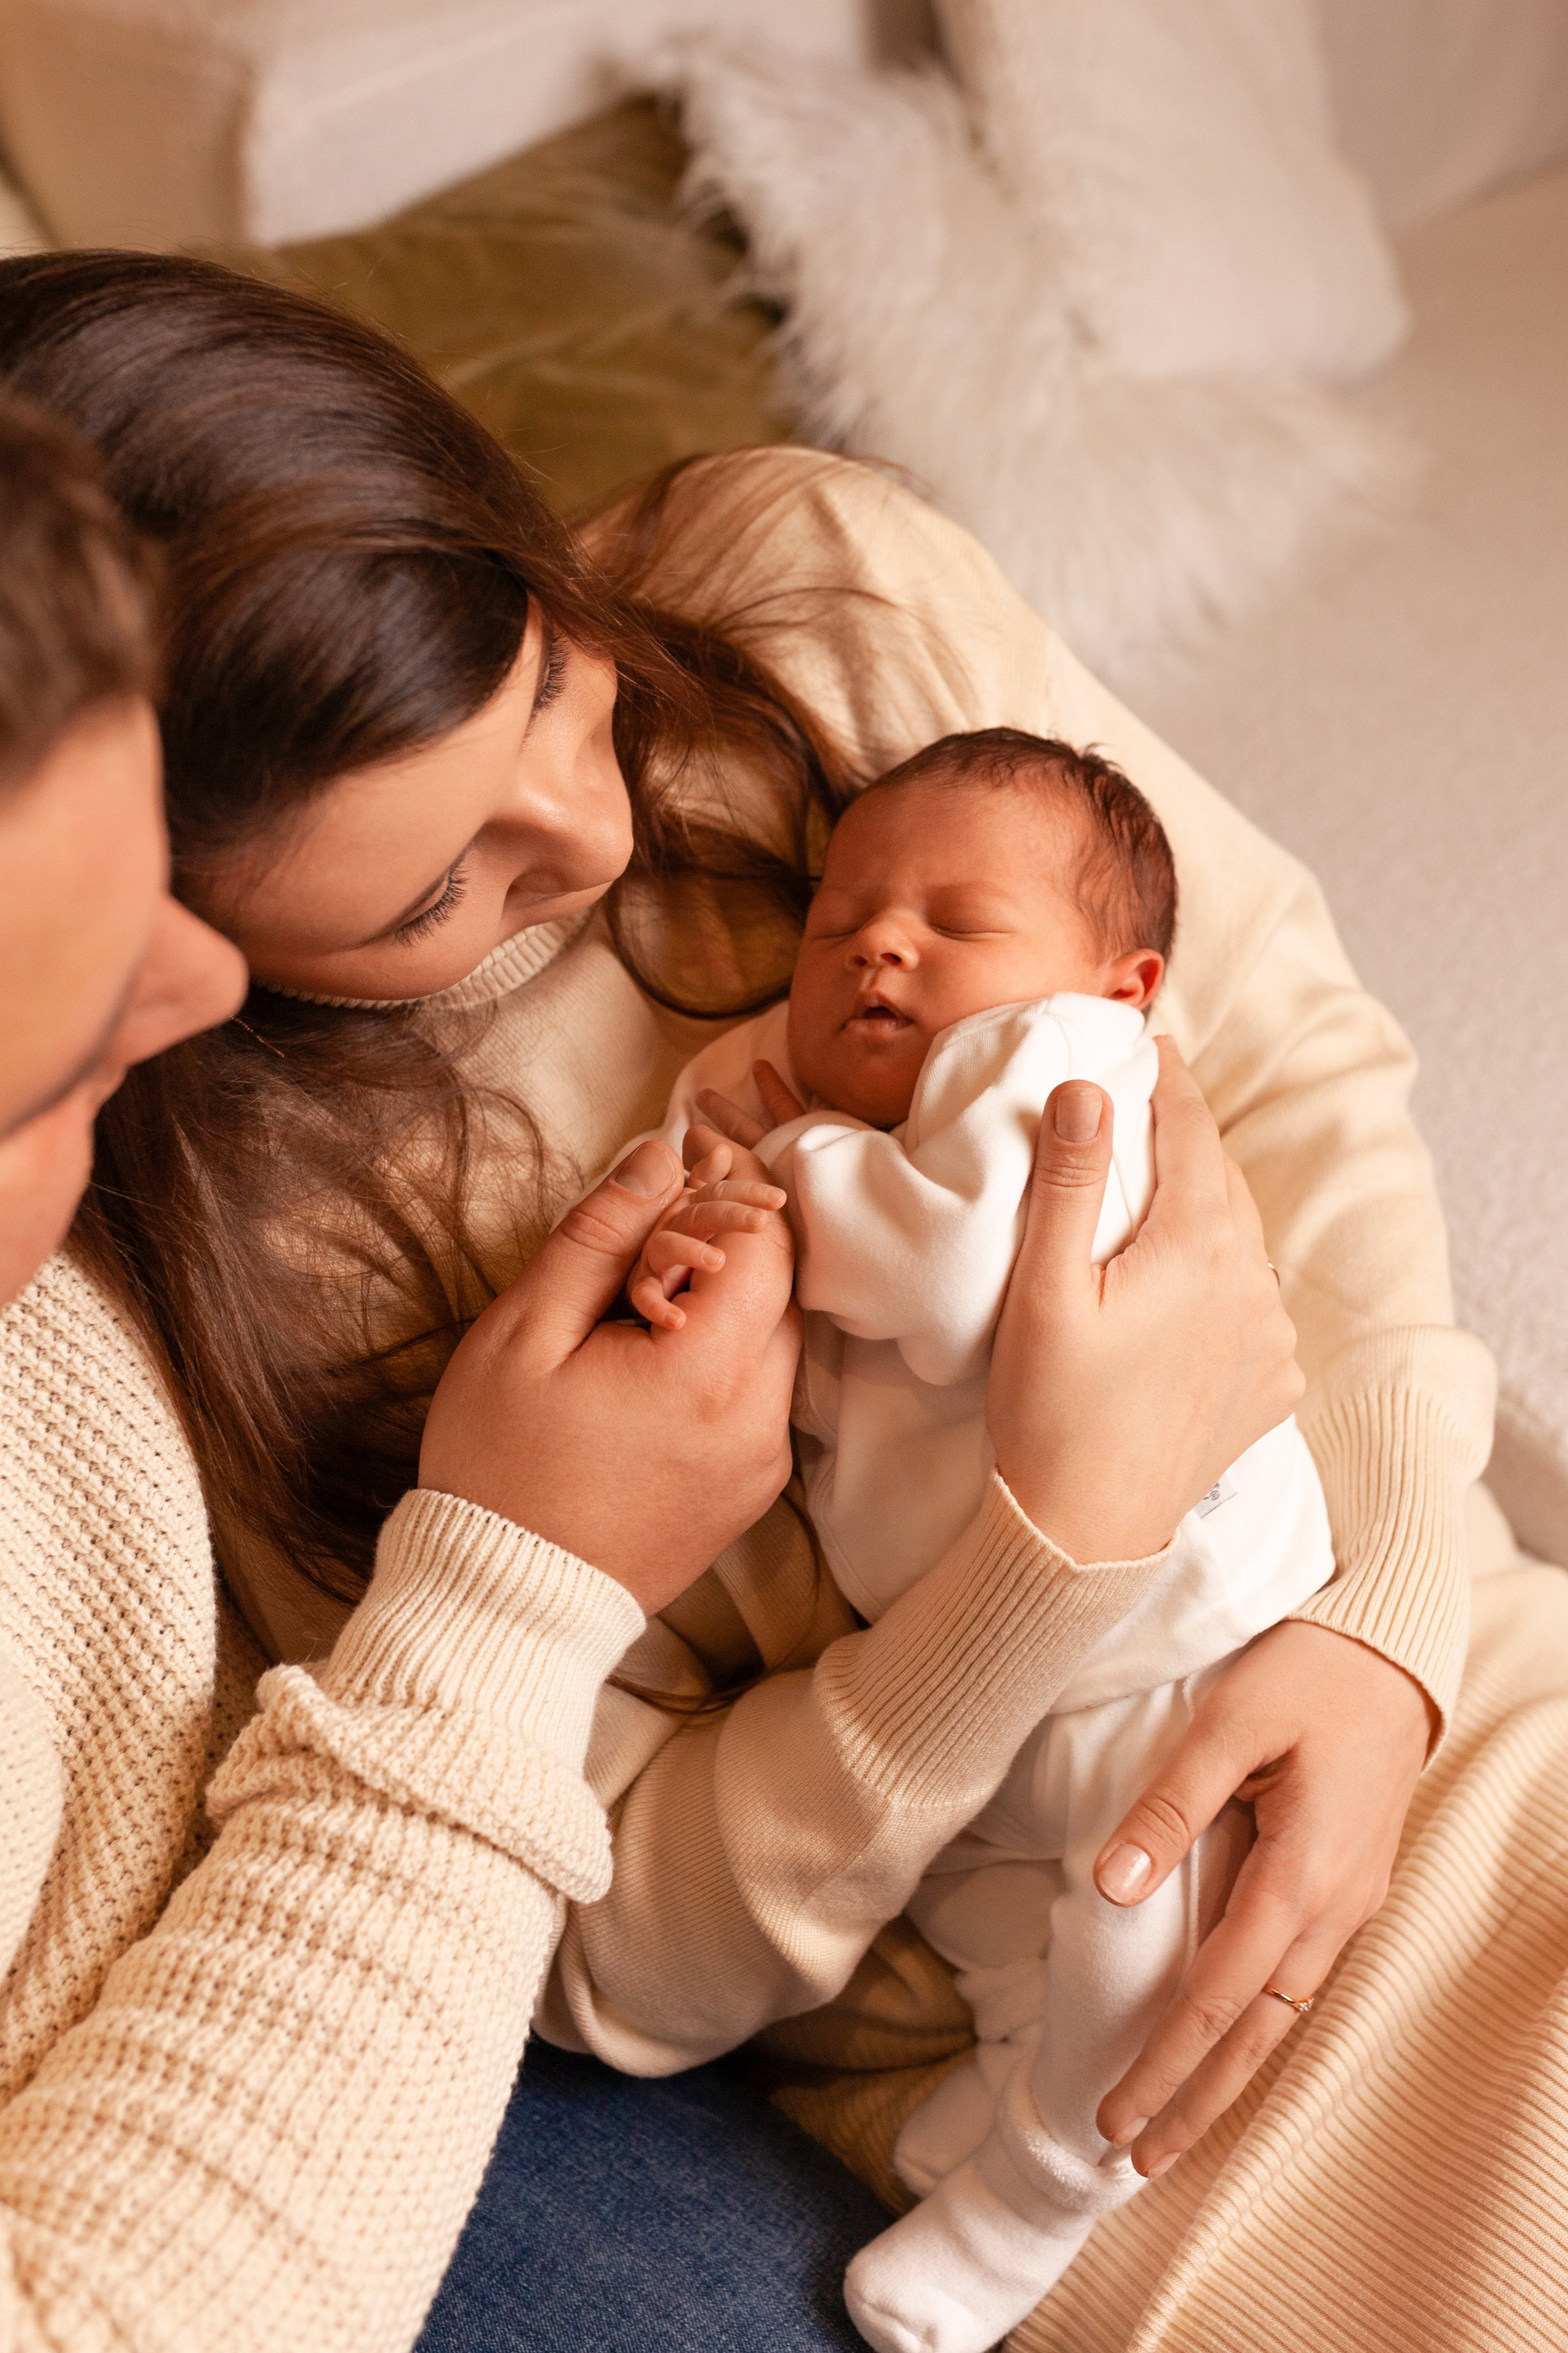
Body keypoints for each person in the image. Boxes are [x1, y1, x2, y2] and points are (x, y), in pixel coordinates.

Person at [0, 250, 1545, 2353]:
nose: (591, 824)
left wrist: (1388, 1629)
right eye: (437, 890)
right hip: (1081, 2121)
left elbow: (1285, 1059)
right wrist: (1024, 1587)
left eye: (553, 676)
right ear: (153, 925)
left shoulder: (807, 589)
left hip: (1462, 1711)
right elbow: (596, 1937)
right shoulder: (232, 1262)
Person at [0, 389, 873, 2349]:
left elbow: (1293, 1065)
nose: (194, 993)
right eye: (57, 1042)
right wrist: (509, 1600)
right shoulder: (241, 1269)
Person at [633, 727, 1333, 2352]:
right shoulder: (871, 1108)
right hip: (1011, 1636)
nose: (879, 945)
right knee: (1003, 1905)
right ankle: (1026, 2074)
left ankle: (1044, 2186)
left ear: (1122, 981)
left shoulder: (1061, 1059)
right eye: (841, 919)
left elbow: (949, 1286)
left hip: (1173, 1625)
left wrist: (788, 1167)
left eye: (957, 921)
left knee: (1139, 1901)